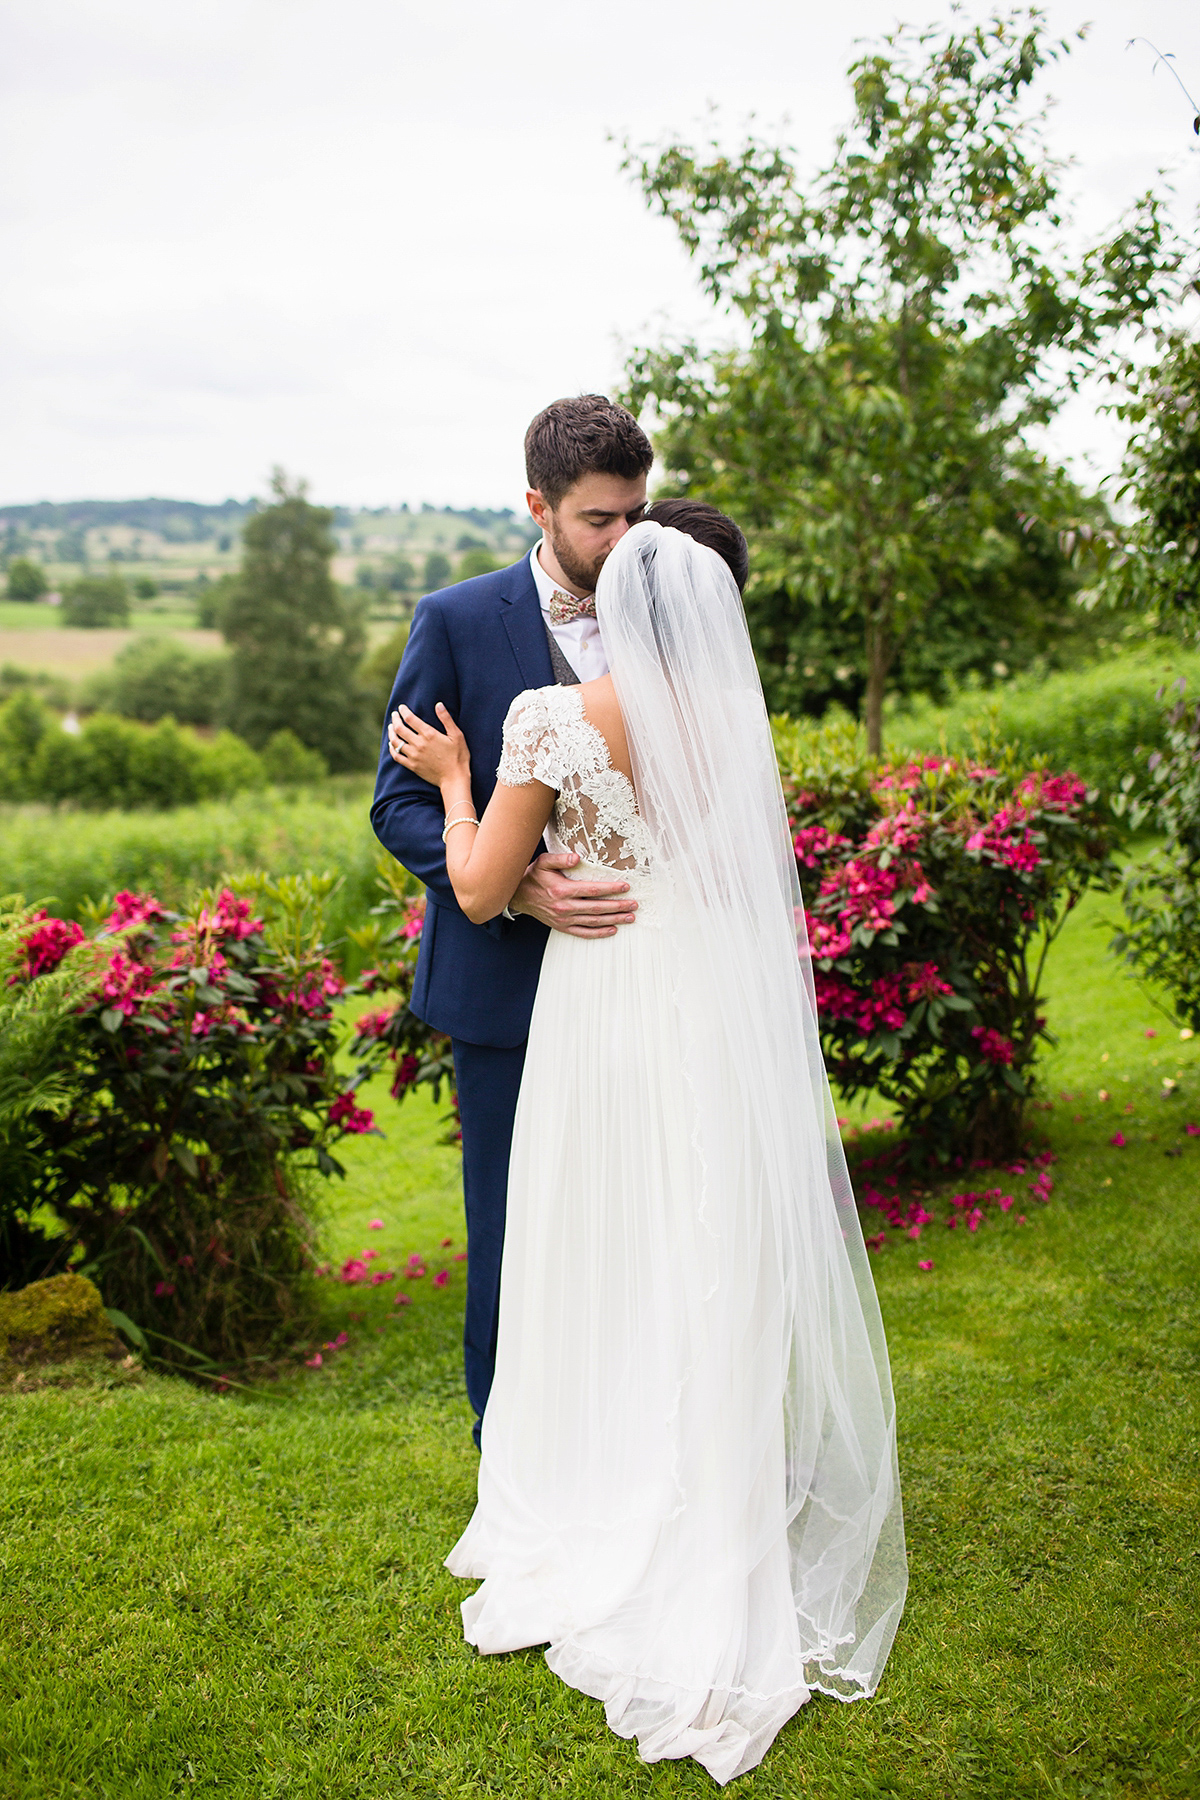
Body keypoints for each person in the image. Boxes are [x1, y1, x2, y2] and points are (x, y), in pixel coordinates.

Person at [387, 516, 907, 1784]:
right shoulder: (731, 718)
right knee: (701, 1240)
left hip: (607, 1005)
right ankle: (702, 1471)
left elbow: (473, 886)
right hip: (708, 994)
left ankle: (602, 1480)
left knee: (595, 1241)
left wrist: (456, 785)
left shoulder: (550, 721)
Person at [370, 395, 653, 1446]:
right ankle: (513, 1456)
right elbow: (395, 802)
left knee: (629, 1221)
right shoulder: (454, 619)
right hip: (502, 991)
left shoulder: (665, 614)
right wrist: (517, 874)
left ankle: (625, 1435)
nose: (623, 539)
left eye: (634, 512)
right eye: (597, 521)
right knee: (509, 1229)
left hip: (638, 977)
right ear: (537, 505)